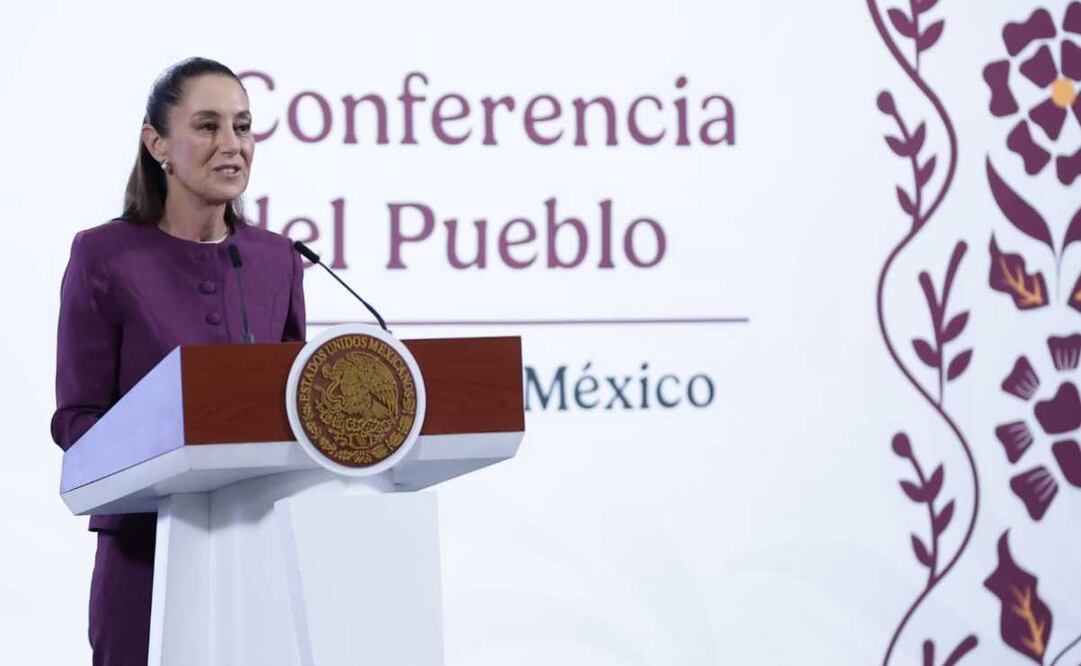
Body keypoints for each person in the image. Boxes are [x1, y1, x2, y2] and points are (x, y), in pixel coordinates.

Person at [50, 57, 305, 665]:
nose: (232, 145)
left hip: (257, 547)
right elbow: (76, 419)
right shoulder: (104, 255)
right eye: (208, 126)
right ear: (157, 142)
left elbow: (302, 403)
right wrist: (168, 450)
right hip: (146, 549)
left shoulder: (278, 259)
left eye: (242, 127)